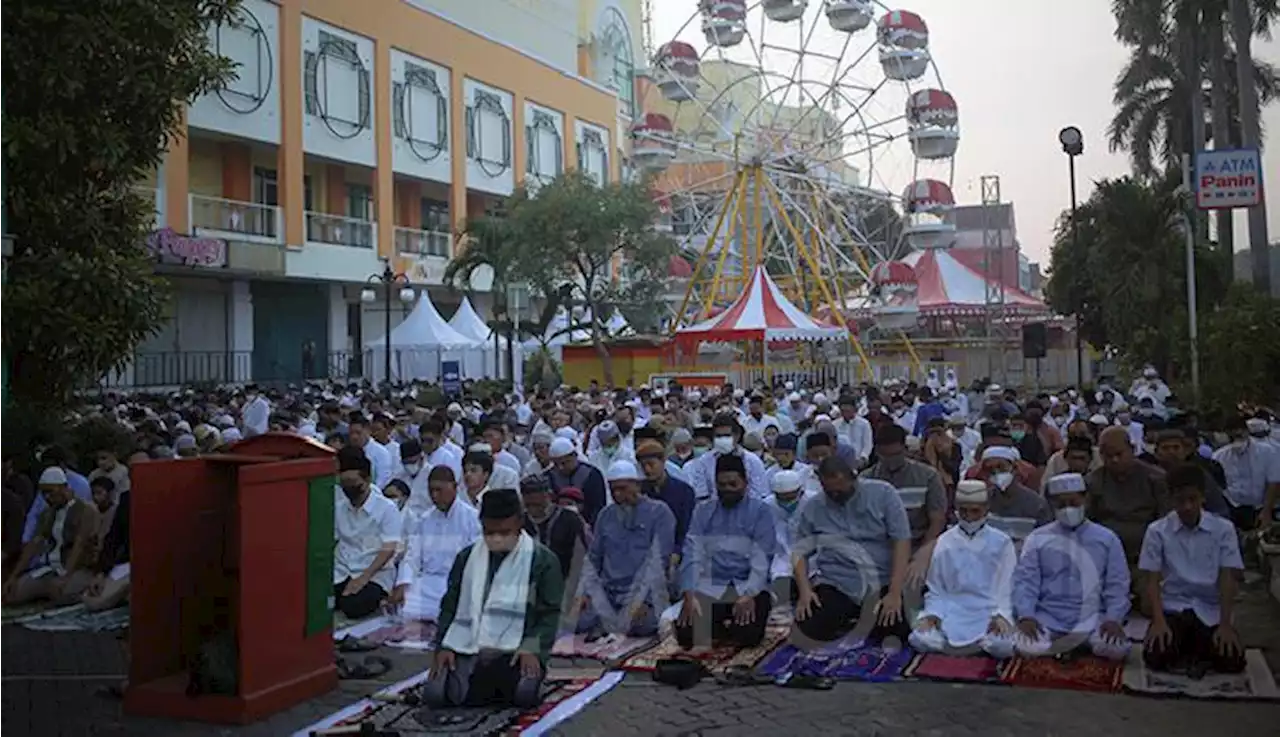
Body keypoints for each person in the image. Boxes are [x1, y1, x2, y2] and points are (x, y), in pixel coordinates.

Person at [425, 488, 563, 710]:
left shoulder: (543, 561)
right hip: (468, 645)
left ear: (519, 524)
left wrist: (532, 648)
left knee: (522, 695)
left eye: (504, 532)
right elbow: (450, 605)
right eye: (489, 532)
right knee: (435, 695)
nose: (496, 539)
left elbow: (549, 614)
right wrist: (444, 646)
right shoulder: (467, 558)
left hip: (515, 650)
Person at [1139, 464, 1246, 676]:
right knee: (1156, 656)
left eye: (1193, 499)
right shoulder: (1157, 531)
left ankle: (1195, 652)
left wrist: (1226, 624)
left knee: (1232, 661)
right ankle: (1192, 652)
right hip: (1174, 608)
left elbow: (1228, 577)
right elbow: (1151, 579)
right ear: (1171, 499)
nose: (1187, 507)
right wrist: (1158, 621)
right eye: (1180, 500)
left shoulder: (1223, 529)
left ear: (1203, 497)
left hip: (1210, 609)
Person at [791, 456, 912, 645]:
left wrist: (895, 592)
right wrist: (805, 591)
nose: (835, 495)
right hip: (838, 582)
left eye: (840, 490)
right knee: (806, 629)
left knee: (897, 631)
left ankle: (857, 621)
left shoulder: (884, 494)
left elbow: (902, 542)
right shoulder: (814, 506)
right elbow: (800, 552)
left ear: (853, 478)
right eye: (829, 491)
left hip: (880, 580)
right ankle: (854, 619)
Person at [1012, 473, 1131, 660]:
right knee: (1026, 647)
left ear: (1085, 500)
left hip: (1092, 617)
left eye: (1073, 503)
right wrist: (1026, 615)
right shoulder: (1037, 538)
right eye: (1061, 505)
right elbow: (1026, 581)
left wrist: (1113, 618)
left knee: (1116, 650)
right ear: (1052, 506)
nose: (1068, 509)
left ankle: (1073, 646)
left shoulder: (1107, 539)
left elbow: (1117, 584)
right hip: (1048, 616)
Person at [676, 453, 776, 649]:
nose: (727, 490)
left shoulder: (760, 511)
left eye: (733, 484)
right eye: (722, 485)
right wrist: (689, 593)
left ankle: (725, 625)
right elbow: (692, 553)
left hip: (748, 585)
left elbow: (762, 559)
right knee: (686, 635)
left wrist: (749, 594)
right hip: (713, 584)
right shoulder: (703, 511)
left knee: (748, 636)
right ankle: (720, 624)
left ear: (745, 483)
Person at [908, 480, 1017, 658]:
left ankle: (973, 646)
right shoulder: (944, 541)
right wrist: (933, 615)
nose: (969, 516)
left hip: (989, 610)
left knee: (1003, 645)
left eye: (975, 511)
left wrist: (1001, 614)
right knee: (919, 638)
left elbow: (1006, 586)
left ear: (986, 508)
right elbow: (937, 589)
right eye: (964, 510)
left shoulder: (1002, 542)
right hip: (953, 610)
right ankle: (968, 647)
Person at [575, 461, 676, 638]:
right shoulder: (606, 515)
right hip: (609, 594)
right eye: (613, 490)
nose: (617, 494)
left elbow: (660, 562)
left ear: (637, 485)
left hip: (643, 594)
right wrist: (583, 593)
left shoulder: (660, 512)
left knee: (644, 625)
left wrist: (644, 600)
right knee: (577, 621)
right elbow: (593, 558)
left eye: (622, 488)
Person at [389, 466, 481, 622]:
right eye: (431, 491)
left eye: (439, 490)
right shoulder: (425, 519)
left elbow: (475, 560)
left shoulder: (472, 518)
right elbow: (412, 556)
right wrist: (403, 583)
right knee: (403, 606)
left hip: (457, 583)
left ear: (455, 487)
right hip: (428, 583)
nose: (434, 496)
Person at [1, 468, 100, 606]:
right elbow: (34, 545)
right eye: (44, 493)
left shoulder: (86, 510)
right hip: (50, 569)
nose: (47, 497)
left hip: (78, 568)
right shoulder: (47, 514)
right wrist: (14, 576)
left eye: (51, 492)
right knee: (12, 594)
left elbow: (80, 544)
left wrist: (66, 576)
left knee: (63, 593)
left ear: (64, 488)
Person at [864, 423, 947, 587]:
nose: (891, 461)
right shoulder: (866, 480)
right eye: (885, 456)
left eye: (896, 454)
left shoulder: (928, 476)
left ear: (905, 449)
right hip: (881, 550)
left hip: (917, 546)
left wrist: (922, 554)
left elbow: (937, 520)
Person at [1087, 426, 1171, 579]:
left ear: (1132, 449)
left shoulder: (1155, 478)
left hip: (1146, 556)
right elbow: (1087, 521)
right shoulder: (1093, 481)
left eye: (1119, 454)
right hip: (1104, 555)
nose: (1114, 460)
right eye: (1108, 456)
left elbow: (1166, 520)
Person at [333, 446, 401, 619]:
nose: (350, 492)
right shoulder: (340, 508)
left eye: (355, 486)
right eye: (345, 486)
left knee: (352, 606)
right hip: (343, 569)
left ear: (368, 479)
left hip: (373, 572)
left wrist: (363, 579)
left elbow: (388, 548)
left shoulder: (386, 509)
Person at [685, 413, 769, 502]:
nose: (722, 439)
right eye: (718, 436)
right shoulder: (703, 462)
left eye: (726, 435)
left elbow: (759, 494)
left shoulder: (752, 461)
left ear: (737, 436)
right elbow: (701, 495)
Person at [636, 439, 696, 555]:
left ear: (663, 461)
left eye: (651, 464)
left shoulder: (684, 491)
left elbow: (686, 529)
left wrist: (677, 551)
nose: (647, 470)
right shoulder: (639, 491)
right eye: (643, 466)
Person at [521, 474, 586, 580]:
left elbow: (580, 559)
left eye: (537, 505)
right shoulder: (519, 521)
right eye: (528, 505)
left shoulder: (569, 519)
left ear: (548, 496)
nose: (532, 510)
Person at [1153, 429, 1229, 518]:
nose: (1171, 452)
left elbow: (1219, 510)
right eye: (1165, 448)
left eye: (1176, 447)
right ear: (1156, 453)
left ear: (1185, 451)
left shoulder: (1198, 474)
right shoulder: (1149, 475)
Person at [980, 447, 1053, 529]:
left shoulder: (1036, 503)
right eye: (990, 469)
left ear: (1014, 468)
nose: (996, 472)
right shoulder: (983, 500)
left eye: (1001, 467)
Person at [763, 469, 815, 583]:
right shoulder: (767, 505)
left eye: (790, 498)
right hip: (781, 558)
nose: (786, 502)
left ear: (800, 491)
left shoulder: (814, 502)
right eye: (781, 498)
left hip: (812, 558)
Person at [547, 437, 608, 525]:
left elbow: (598, 508)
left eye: (565, 463)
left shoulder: (592, 475)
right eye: (556, 464)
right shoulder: (549, 477)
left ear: (575, 456)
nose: (561, 468)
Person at [348, 413, 394, 489]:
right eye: (351, 433)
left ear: (368, 431)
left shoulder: (381, 452)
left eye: (358, 433)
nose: (354, 437)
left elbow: (383, 480)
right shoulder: (347, 452)